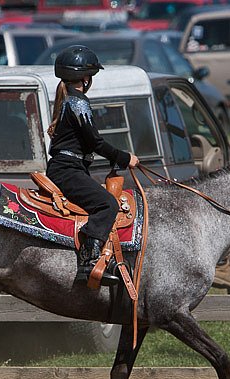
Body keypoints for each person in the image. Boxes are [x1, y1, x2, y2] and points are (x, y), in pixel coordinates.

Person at [46, 45, 139, 286]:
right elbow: (95, 141)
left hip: (67, 167)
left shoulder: (67, 99)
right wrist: (124, 157)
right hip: (68, 169)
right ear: (85, 78)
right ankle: (88, 262)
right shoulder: (78, 102)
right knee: (107, 203)